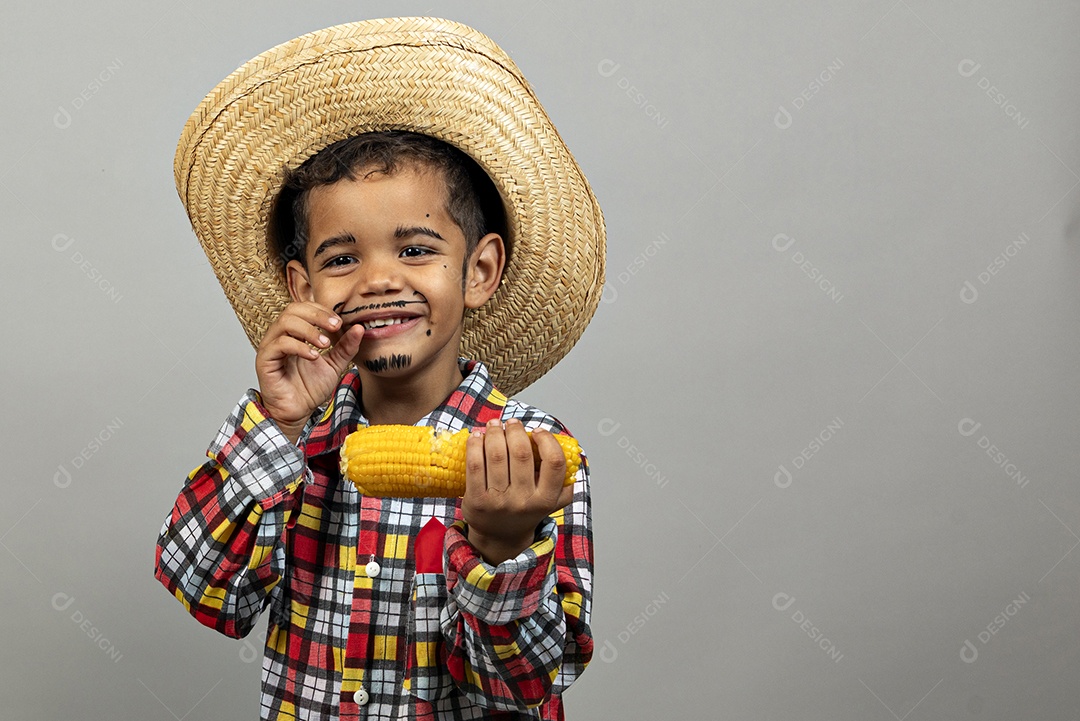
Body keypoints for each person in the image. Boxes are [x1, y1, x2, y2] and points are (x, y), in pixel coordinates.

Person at [154, 17, 605, 721]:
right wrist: (276, 421)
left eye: (416, 249)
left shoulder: (532, 457)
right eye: (342, 258)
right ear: (302, 289)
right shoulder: (292, 445)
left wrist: (501, 549)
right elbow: (206, 589)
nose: (377, 280)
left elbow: (524, 686)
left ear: (479, 270)